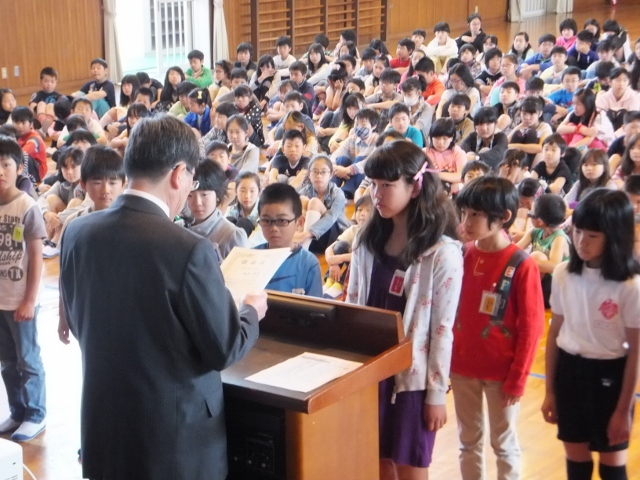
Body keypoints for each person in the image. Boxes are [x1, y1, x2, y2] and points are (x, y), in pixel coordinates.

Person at [59, 115, 268, 480]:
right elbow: (224, 348)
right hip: (172, 444)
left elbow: (80, 324)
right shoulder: (188, 249)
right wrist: (251, 310)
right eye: (192, 180)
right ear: (178, 173)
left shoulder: (77, 232)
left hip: (104, 431)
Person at [346, 140, 463, 480]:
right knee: (377, 464)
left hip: (412, 381)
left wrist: (436, 394)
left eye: (387, 185)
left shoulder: (443, 253)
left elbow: (442, 329)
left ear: (415, 187)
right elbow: (353, 303)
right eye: (373, 184)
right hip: (371, 372)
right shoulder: (366, 241)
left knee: (411, 469)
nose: (376, 194)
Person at [542, 189, 640, 480]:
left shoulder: (630, 286)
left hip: (611, 376)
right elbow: (555, 334)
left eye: (593, 235)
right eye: (577, 231)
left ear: (614, 236)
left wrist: (623, 409)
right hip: (570, 373)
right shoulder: (563, 274)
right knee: (576, 465)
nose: (582, 241)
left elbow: (636, 351)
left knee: (612, 467)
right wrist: (550, 391)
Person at [453, 176, 544, 480]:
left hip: (502, 373)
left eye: (476, 214)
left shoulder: (522, 264)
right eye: (464, 212)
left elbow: (532, 327)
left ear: (504, 217)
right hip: (462, 366)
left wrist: (518, 378)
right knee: (468, 441)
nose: (466, 221)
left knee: (503, 444)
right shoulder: (462, 254)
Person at [0, 136, 47, 442]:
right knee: (6, 360)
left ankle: (35, 414)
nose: (0, 171)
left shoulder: (26, 206)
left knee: (27, 358)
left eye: (5, 164)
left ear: (18, 168)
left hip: (20, 299)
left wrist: (29, 300)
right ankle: (17, 411)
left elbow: (36, 257)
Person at [254, 183, 323, 296]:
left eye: (282, 221)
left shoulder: (309, 264)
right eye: (266, 221)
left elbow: (316, 306)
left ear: (299, 222)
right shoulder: (250, 257)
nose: (273, 228)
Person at [517, 194, 571, 308]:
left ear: (540, 221)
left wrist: (526, 262)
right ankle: (525, 293)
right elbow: (515, 251)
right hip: (541, 281)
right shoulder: (534, 232)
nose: (528, 216)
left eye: (530, 214)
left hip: (554, 286)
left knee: (537, 256)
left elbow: (553, 266)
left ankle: (529, 295)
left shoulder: (559, 238)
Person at [187, 161, 248, 260]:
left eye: (204, 195)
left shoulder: (232, 235)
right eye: (190, 195)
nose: (198, 203)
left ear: (217, 195)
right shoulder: (176, 228)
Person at [297, 155, 350, 253]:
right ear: (309, 174)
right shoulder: (304, 191)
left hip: (333, 235)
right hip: (312, 239)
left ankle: (303, 250)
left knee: (314, 202)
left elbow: (331, 217)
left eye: (323, 172)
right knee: (302, 200)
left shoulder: (338, 193)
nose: (319, 176)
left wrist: (306, 234)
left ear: (331, 175)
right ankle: (300, 245)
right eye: (315, 172)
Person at [11, 107, 47, 182]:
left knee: (23, 156)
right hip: (25, 165)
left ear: (31, 124)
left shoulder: (34, 139)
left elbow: (20, 154)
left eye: (23, 123)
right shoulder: (17, 135)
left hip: (37, 171)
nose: (20, 126)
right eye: (17, 122)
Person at [29, 67, 62, 134]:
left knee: (51, 105)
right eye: (46, 81)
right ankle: (44, 123)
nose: (49, 84)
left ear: (56, 82)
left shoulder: (59, 96)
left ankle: (48, 125)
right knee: (41, 103)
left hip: (53, 120)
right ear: (41, 81)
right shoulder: (37, 94)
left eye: (52, 82)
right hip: (39, 120)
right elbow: (31, 107)